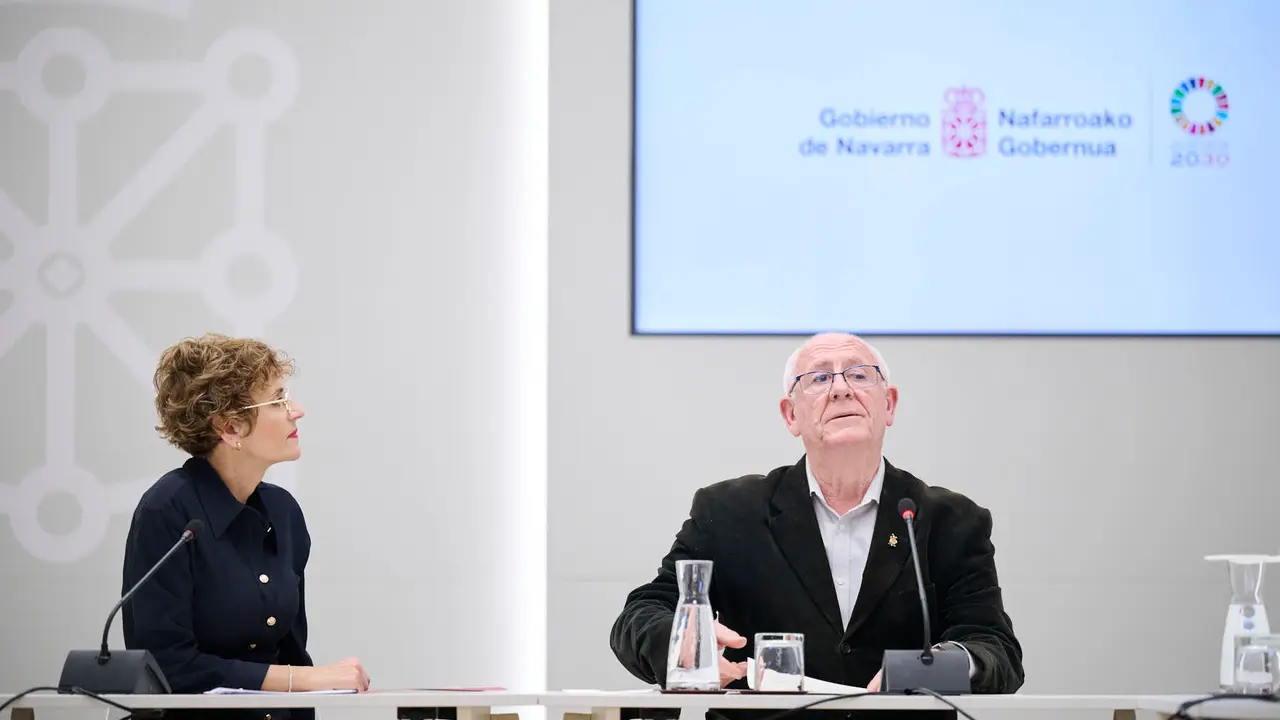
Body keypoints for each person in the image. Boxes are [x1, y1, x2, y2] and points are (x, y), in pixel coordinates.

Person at [610, 332, 1023, 697]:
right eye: (820, 378)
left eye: (859, 375)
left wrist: (938, 665)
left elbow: (995, 649)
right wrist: (680, 642)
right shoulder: (731, 511)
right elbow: (641, 614)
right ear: (791, 414)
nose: (842, 389)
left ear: (889, 404)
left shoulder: (949, 520)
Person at [121, 333, 369, 719]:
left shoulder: (283, 512)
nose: (296, 410)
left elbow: (288, 650)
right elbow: (169, 666)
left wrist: (305, 682)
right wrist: (303, 680)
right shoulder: (167, 510)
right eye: (278, 400)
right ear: (229, 428)